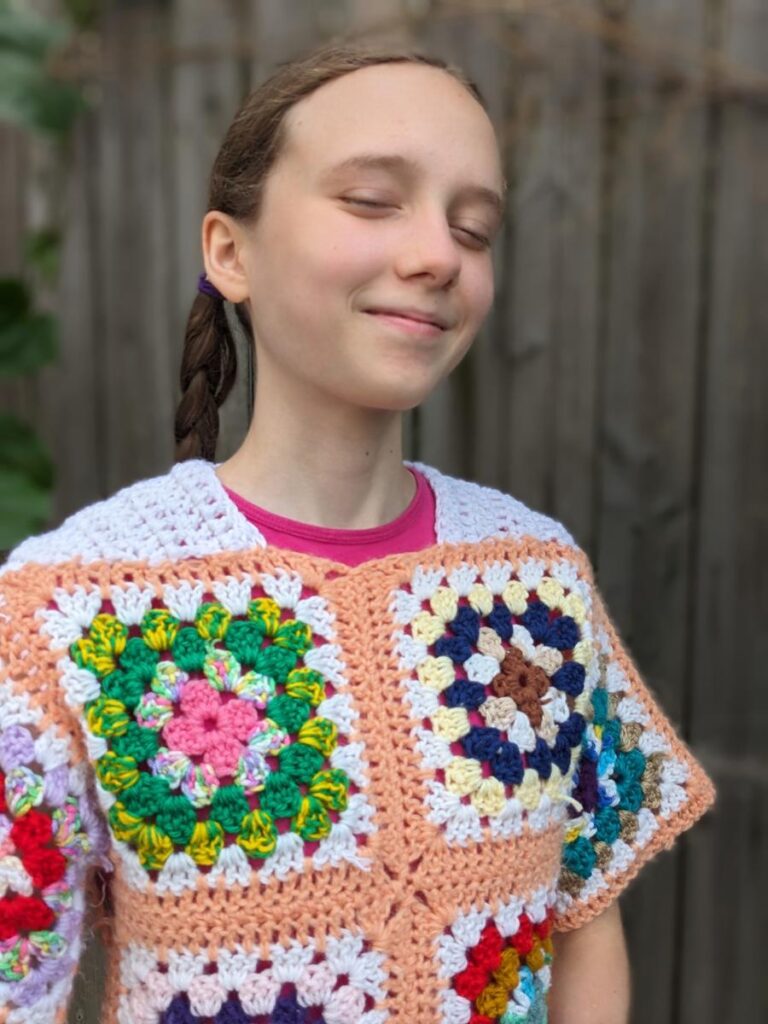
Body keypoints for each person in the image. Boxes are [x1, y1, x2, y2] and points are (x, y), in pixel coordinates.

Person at [0, 43, 714, 1024]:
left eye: (475, 225)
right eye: (374, 200)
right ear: (229, 252)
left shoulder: (536, 582)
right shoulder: (68, 607)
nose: (437, 254)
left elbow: (581, 915)